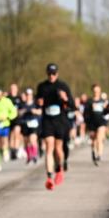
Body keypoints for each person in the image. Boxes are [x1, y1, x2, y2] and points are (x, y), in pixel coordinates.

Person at [35, 63, 73, 191]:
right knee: (48, 147)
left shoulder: (63, 86)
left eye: (54, 73)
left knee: (58, 149)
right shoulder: (42, 86)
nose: (51, 76)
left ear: (57, 73)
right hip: (47, 120)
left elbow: (72, 104)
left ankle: (60, 168)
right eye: (49, 74)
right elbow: (37, 102)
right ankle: (49, 177)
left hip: (60, 120)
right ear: (47, 73)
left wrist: (65, 98)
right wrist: (39, 103)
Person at [85, 84, 108, 166]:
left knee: (99, 138)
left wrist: (106, 109)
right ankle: (93, 152)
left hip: (101, 122)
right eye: (95, 91)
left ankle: (99, 155)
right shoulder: (89, 101)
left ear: (100, 91)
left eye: (98, 91)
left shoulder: (104, 101)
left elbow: (108, 113)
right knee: (93, 140)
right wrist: (87, 124)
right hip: (92, 123)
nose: (96, 92)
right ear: (93, 91)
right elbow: (86, 114)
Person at [17, 89, 41, 164]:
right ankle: (29, 156)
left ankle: (34, 155)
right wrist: (23, 111)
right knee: (26, 141)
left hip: (33, 124)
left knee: (32, 139)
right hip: (24, 124)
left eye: (29, 95)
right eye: (27, 95)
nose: (28, 96)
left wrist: (34, 111)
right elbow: (18, 113)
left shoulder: (35, 104)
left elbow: (40, 111)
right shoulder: (22, 104)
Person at [7, 83, 23, 161]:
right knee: (11, 135)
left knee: (16, 133)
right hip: (9, 119)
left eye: (14, 88)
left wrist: (20, 111)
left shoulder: (19, 98)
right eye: (11, 88)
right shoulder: (7, 98)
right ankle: (12, 150)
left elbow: (22, 107)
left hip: (17, 119)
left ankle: (16, 150)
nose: (13, 90)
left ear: (17, 89)